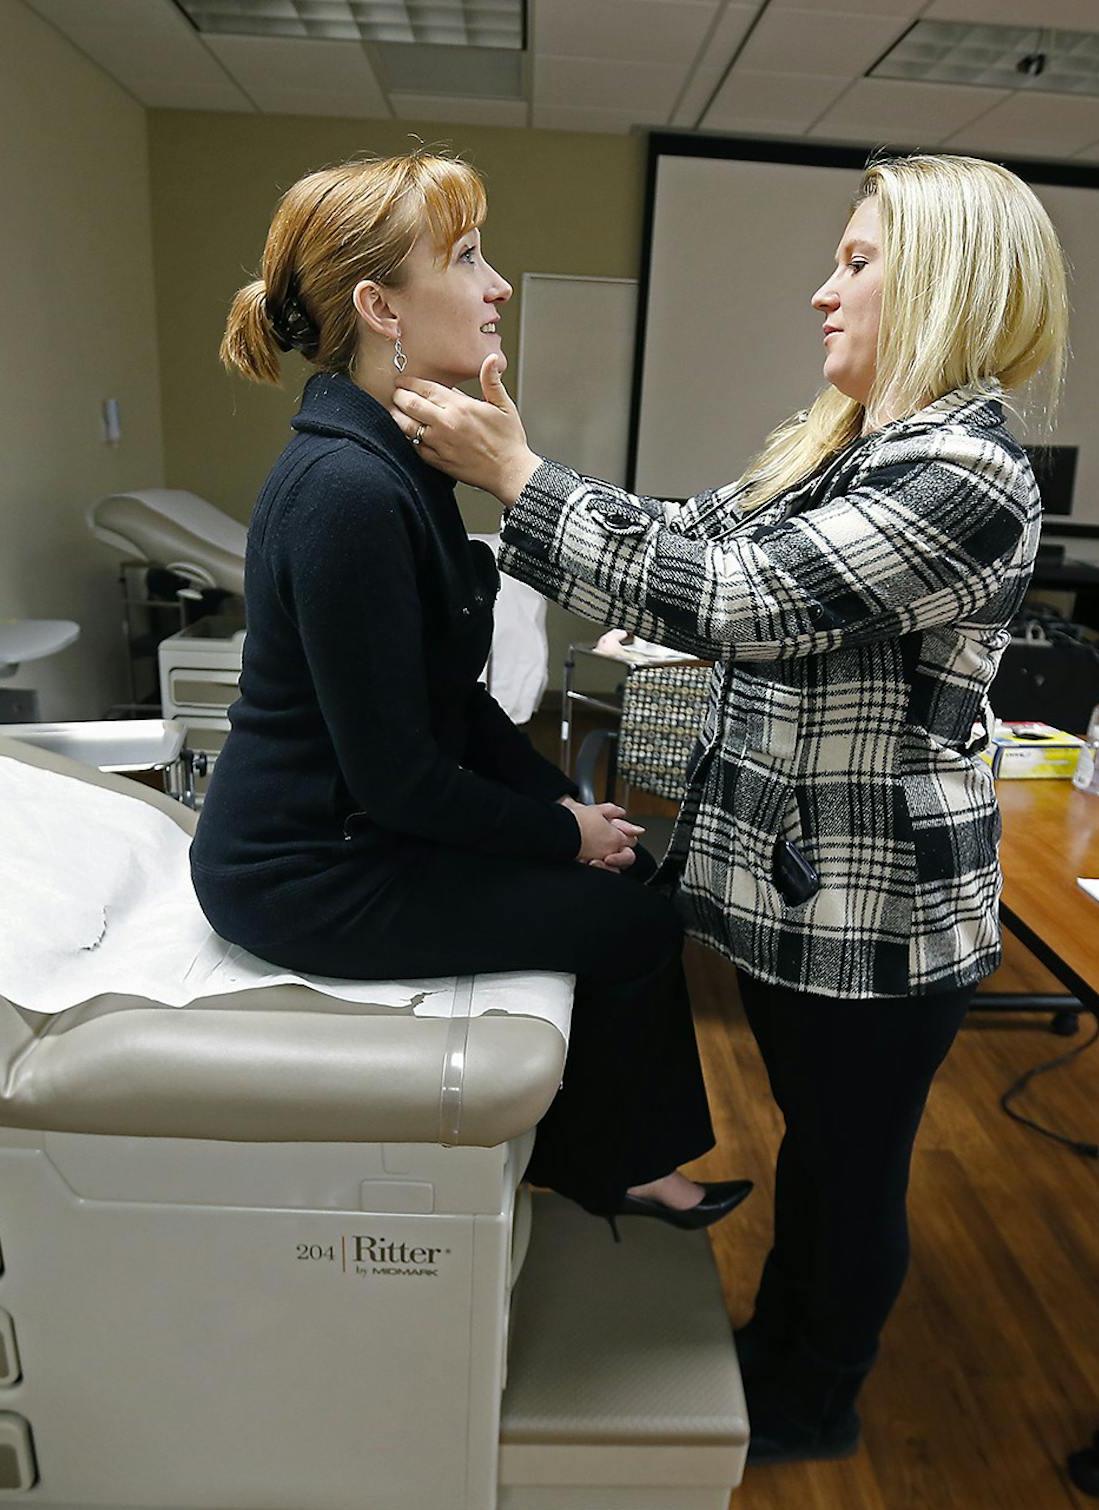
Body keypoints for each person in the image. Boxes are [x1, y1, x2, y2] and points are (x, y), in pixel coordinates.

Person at [391, 154, 1069, 1462]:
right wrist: (519, 489)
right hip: (795, 890)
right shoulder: (845, 444)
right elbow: (686, 534)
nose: (824, 292)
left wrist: (522, 476)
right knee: (819, 1147)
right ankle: (774, 1337)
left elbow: (732, 597)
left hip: (877, 924)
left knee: (846, 1167)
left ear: (945, 285)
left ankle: (813, 1398)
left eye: (859, 263)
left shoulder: (967, 476)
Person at [189, 150, 750, 1236]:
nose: (498, 287)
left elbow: (454, 706)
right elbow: (399, 777)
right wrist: (554, 829)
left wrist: (574, 819)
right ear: (378, 306)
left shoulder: (397, 462)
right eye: (469, 258)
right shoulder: (346, 490)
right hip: (303, 872)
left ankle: (616, 1153)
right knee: (634, 930)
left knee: (634, 884)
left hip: (357, 830)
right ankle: (617, 1168)